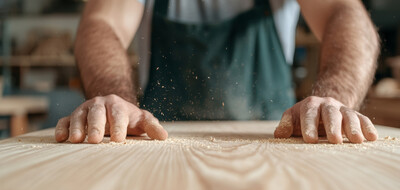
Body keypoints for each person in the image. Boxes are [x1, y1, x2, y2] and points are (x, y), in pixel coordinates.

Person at [55, 0, 380, 144]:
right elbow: (101, 23)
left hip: (280, 145)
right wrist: (116, 101)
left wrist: (332, 99)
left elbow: (344, 11)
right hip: (158, 148)